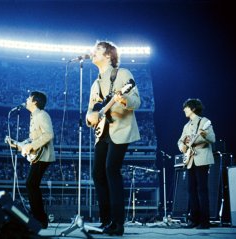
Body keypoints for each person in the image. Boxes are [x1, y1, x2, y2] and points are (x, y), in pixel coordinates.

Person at [86, 41, 141, 236]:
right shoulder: (95, 84)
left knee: (111, 169)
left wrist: (123, 99)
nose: (93, 52)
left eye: (98, 50)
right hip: (102, 133)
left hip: (121, 129)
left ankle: (118, 223)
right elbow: (90, 113)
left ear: (109, 55)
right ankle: (105, 220)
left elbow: (136, 101)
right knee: (97, 174)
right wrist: (91, 117)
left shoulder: (123, 74)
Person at [7, 91, 55, 229]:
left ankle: (40, 219)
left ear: (35, 101)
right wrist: (17, 144)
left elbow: (49, 135)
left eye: (28, 98)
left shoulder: (42, 115)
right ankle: (40, 218)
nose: (26, 100)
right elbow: (34, 138)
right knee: (32, 185)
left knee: (31, 184)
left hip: (44, 156)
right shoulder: (34, 116)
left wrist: (31, 146)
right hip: (39, 155)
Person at [177, 98, 215, 229]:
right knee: (191, 190)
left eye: (186, 107)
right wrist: (182, 146)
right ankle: (194, 220)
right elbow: (180, 141)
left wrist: (204, 134)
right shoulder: (186, 126)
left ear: (192, 108)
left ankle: (204, 222)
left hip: (201, 159)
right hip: (190, 160)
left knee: (202, 190)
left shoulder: (204, 122)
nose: (183, 110)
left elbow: (212, 138)